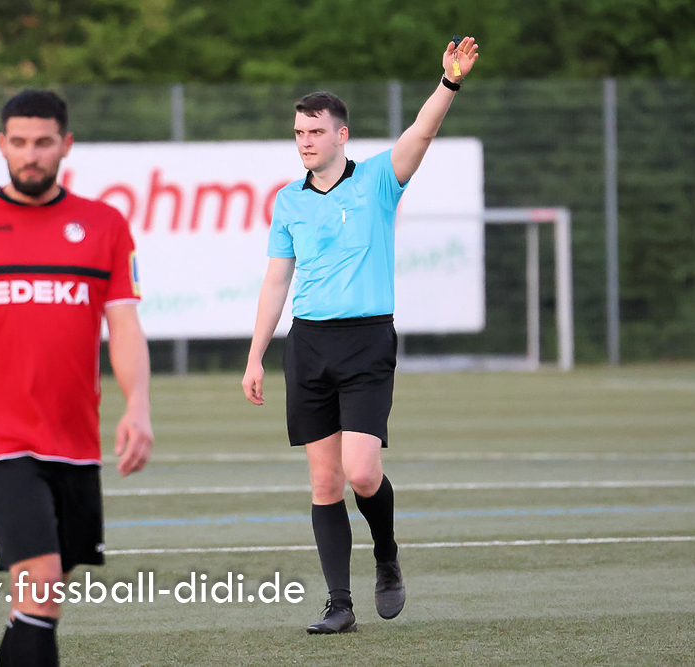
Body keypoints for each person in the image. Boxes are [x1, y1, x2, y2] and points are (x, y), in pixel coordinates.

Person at [241, 37, 479, 634]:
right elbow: (276, 280)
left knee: (362, 473)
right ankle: (339, 604)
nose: (305, 141)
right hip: (308, 345)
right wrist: (255, 356)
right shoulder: (288, 201)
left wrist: (448, 83)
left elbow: (421, 133)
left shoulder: (377, 180)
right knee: (324, 480)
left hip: (367, 342)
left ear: (341, 135)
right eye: (299, 132)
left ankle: (387, 554)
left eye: (315, 132)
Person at [0, 89, 153, 666]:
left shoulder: (104, 224)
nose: (30, 154)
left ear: (65, 145)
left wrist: (138, 405)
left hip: (74, 439)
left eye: (43, 142)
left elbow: (123, 324)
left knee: (39, 599)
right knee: (41, 581)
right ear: (1, 145)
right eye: (18, 142)